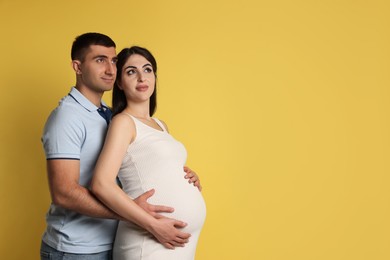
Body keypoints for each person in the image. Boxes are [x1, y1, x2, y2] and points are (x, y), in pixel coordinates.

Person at [40, 33, 201, 260]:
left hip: (111, 239)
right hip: (76, 248)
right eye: (99, 60)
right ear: (77, 67)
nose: (110, 69)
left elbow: (135, 164)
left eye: (114, 61)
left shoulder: (106, 114)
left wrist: (181, 176)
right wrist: (134, 215)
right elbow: (64, 193)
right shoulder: (67, 117)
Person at [91, 46, 206, 260]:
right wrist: (154, 225)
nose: (142, 77)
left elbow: (156, 168)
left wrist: (188, 177)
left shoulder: (161, 125)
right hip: (148, 240)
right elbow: (101, 183)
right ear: (119, 82)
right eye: (131, 71)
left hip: (176, 244)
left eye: (147, 69)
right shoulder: (123, 122)